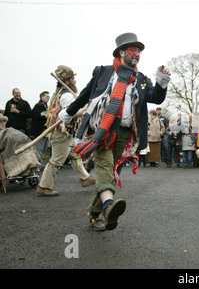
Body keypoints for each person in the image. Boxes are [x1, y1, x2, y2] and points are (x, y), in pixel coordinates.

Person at [58, 32, 170, 231]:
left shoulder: (141, 79)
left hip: (126, 135)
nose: (136, 54)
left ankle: (94, 213)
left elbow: (156, 98)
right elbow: (85, 95)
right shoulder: (103, 72)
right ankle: (109, 206)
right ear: (121, 52)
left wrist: (162, 83)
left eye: (139, 51)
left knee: (112, 171)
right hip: (103, 129)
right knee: (104, 166)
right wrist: (68, 112)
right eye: (132, 50)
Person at [36, 66, 96, 196]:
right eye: (72, 78)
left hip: (66, 133)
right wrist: (85, 108)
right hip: (61, 132)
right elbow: (70, 113)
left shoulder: (58, 93)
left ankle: (85, 178)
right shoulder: (67, 95)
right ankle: (44, 186)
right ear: (67, 81)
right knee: (57, 160)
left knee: (75, 154)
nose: (75, 81)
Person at [30, 91, 50, 168]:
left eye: (49, 96)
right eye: (47, 96)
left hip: (45, 131)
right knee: (39, 148)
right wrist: (47, 115)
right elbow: (37, 116)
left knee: (44, 148)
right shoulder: (38, 106)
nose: (48, 98)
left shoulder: (46, 106)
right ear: (42, 97)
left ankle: (40, 164)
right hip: (39, 131)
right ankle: (37, 165)